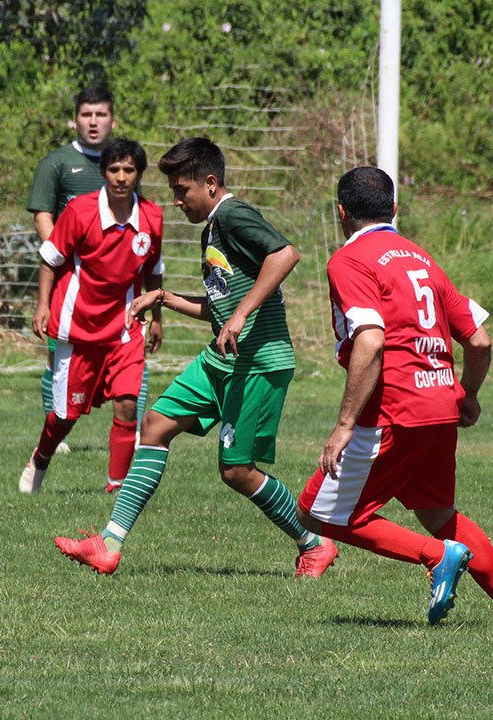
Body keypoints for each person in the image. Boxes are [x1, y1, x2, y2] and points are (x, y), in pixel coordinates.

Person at [54, 137, 338, 576]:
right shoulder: (212, 227)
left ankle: (314, 544)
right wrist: (163, 297)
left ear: (209, 183)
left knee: (236, 471)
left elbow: (286, 254)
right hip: (222, 357)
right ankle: (108, 544)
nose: (176, 201)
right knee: (155, 424)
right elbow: (218, 305)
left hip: (259, 360)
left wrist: (241, 316)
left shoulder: (234, 213)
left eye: (181, 191)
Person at [296, 166, 493, 627]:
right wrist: (467, 394)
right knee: (437, 512)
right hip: (439, 404)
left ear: (342, 212)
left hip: (393, 411)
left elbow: (369, 340)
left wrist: (345, 424)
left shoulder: (349, 261)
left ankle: (436, 557)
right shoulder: (420, 257)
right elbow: (481, 340)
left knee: (317, 514)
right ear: (394, 209)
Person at [19, 138, 163, 494]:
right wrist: (42, 306)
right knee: (66, 414)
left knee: (128, 404)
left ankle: (117, 489)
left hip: (126, 327)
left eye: (129, 170)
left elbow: (154, 271)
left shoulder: (152, 216)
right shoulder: (81, 212)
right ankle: (41, 457)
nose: (121, 177)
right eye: (114, 169)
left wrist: (156, 316)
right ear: (103, 173)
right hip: (79, 327)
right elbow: (50, 261)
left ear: (138, 174)